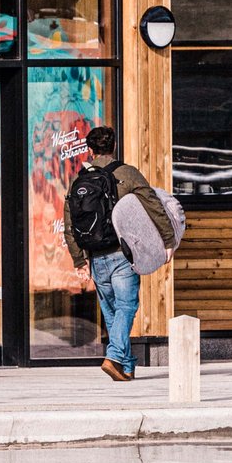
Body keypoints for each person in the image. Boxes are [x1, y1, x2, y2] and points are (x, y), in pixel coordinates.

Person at [64, 126, 169, 382]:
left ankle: (127, 365)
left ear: (90, 150)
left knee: (113, 312)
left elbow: (69, 224)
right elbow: (153, 205)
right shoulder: (128, 174)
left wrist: (79, 259)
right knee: (126, 306)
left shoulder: (79, 181)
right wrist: (167, 239)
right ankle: (113, 357)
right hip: (122, 253)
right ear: (113, 147)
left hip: (96, 256)